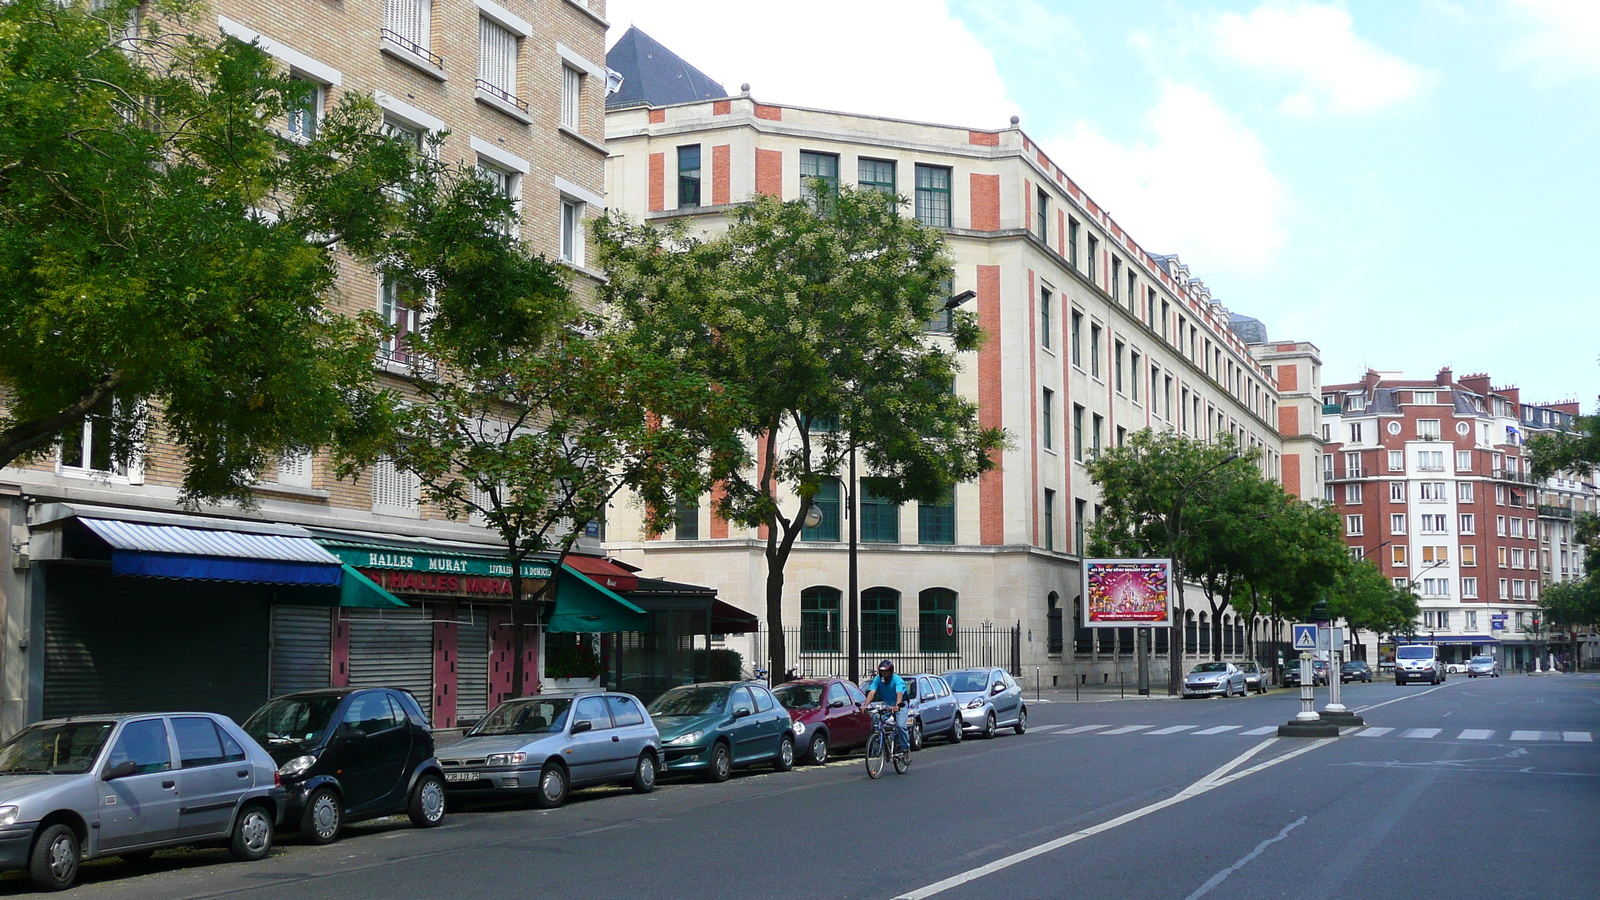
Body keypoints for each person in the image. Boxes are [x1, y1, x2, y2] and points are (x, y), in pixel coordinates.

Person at [862, 659, 909, 754]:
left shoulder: (897, 679)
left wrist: (897, 706)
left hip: (900, 703)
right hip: (888, 703)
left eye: (886, 672)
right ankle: (878, 743)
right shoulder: (877, 679)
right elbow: (872, 692)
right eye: (882, 672)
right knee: (876, 719)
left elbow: (899, 693)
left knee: (900, 725)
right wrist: (865, 705)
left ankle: (905, 748)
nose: (884, 674)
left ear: (891, 671)